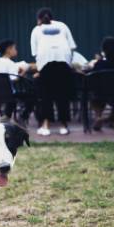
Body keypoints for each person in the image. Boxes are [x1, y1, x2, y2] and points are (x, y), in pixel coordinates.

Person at [30, 8, 77, 136]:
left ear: (39, 19)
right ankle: (63, 126)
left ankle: (45, 126)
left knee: (46, 95)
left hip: (46, 64)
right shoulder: (63, 25)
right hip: (64, 63)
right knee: (62, 95)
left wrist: (40, 70)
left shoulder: (36, 29)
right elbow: (71, 47)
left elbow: (36, 54)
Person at [0, 39, 36, 123]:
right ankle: (23, 116)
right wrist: (22, 73)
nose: (16, 50)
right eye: (14, 48)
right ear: (8, 50)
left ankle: (7, 115)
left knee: (11, 95)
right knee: (32, 96)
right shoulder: (10, 63)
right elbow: (14, 79)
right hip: (9, 95)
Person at [87, 37, 114, 131]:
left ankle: (98, 116)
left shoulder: (99, 64)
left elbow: (93, 78)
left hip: (100, 94)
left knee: (94, 96)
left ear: (103, 50)